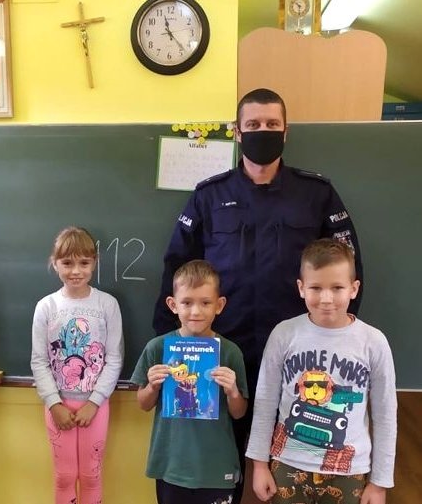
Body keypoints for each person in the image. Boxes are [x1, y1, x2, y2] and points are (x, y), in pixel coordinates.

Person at [152, 87, 363, 500]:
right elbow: (176, 269)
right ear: (237, 131)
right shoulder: (209, 196)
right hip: (220, 355)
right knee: (220, 463)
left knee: (291, 464)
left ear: (286, 131)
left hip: (297, 359)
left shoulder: (316, 193)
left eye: (271, 124)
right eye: (253, 124)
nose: (262, 131)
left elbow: (348, 265)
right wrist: (167, 344)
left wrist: (338, 339)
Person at [246, 239, 396, 504]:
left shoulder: (373, 342)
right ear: (301, 288)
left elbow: (385, 415)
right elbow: (265, 401)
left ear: (354, 289)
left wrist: (380, 483)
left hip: (349, 470)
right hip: (287, 463)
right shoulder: (284, 334)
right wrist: (259, 464)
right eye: (316, 287)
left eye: (337, 287)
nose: (326, 299)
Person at [133, 259, 248, 504]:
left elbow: (239, 413)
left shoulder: (230, 352)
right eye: (187, 303)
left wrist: (233, 392)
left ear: (219, 305)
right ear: (173, 305)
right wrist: (153, 386)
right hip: (172, 466)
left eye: (205, 303)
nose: (196, 312)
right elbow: (143, 404)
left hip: (216, 467)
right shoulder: (158, 348)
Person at [31, 226, 124, 504]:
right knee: (64, 476)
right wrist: (54, 404)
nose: (76, 271)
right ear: (54, 263)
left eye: (84, 263)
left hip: (96, 406)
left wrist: (94, 402)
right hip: (57, 406)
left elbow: (114, 358)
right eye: (67, 263)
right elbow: (39, 360)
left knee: (91, 475)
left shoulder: (107, 304)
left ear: (94, 262)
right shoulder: (46, 306)